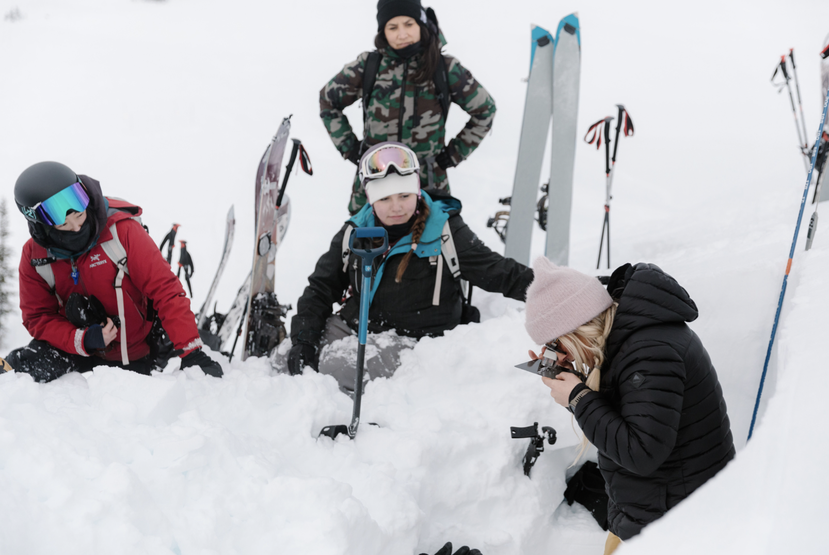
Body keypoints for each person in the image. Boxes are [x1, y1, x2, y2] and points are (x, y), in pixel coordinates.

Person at [523, 258, 735, 553]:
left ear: (576, 330)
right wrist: (576, 393)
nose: (561, 356)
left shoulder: (649, 353)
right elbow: (627, 419)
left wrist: (579, 398)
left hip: (679, 526)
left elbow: (642, 452)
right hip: (655, 510)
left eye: (557, 345)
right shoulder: (629, 342)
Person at [286, 142, 532, 390]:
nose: (396, 207)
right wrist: (303, 341)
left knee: (333, 368)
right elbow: (320, 287)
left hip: (415, 342)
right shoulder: (355, 230)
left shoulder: (445, 231)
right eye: (385, 198)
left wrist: (554, 290)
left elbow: (500, 272)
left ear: (416, 192)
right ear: (370, 200)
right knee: (286, 359)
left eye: (404, 196)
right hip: (356, 325)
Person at [5, 161, 223, 382]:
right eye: (64, 225)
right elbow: (37, 316)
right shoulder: (36, 258)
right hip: (76, 350)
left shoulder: (122, 232)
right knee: (22, 367)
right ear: (40, 224)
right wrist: (82, 339)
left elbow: (165, 289)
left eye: (79, 215)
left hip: (132, 356)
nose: (77, 227)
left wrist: (192, 352)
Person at [320, 0, 496, 214]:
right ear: (383, 31)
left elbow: (485, 109)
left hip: (427, 188)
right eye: (392, 27)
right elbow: (328, 100)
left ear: (421, 24)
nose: (402, 34)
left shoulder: (444, 67)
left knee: (430, 245)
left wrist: (453, 154)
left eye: (408, 24)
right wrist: (351, 149)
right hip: (375, 183)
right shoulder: (368, 66)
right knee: (369, 245)